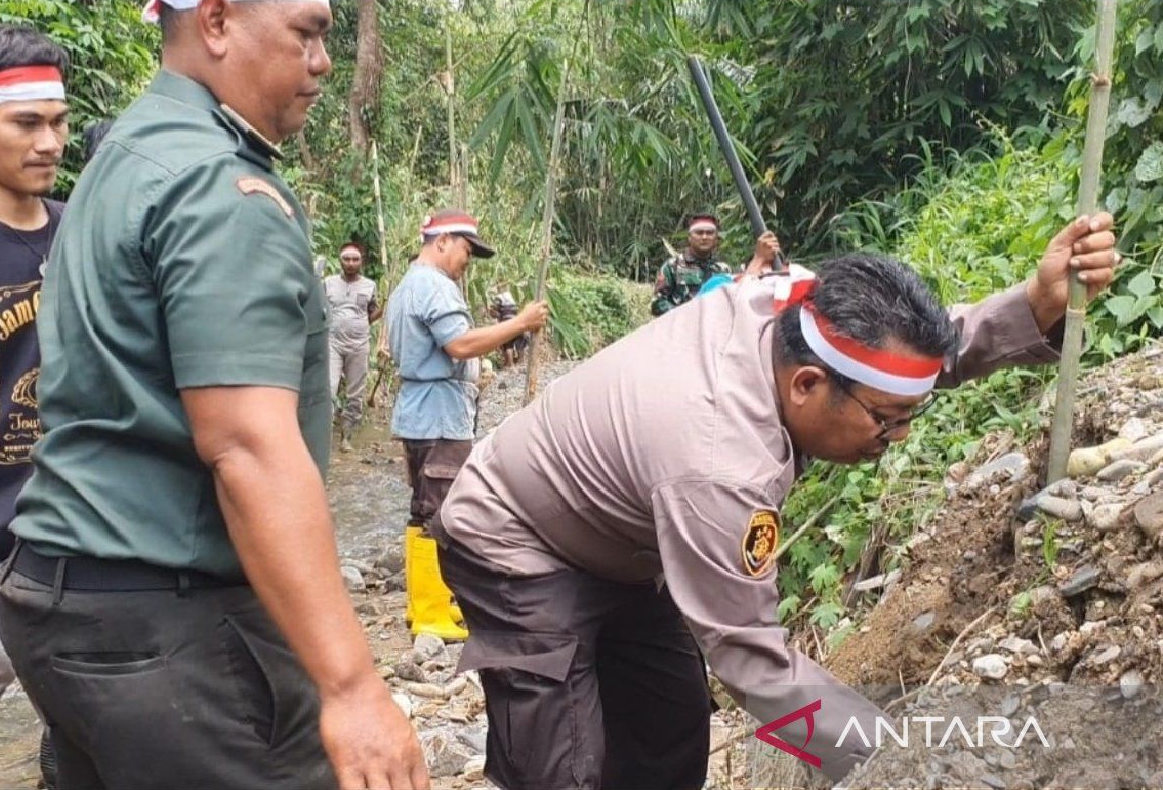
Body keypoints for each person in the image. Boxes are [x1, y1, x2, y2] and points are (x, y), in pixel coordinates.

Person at [429, 214, 1119, 788]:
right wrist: (901, 759)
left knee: (668, 738)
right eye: (888, 421)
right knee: (562, 767)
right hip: (513, 534)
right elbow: (753, 668)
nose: (898, 438)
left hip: (625, 538)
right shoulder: (719, 464)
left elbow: (910, 361)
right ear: (807, 386)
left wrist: (1033, 305)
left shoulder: (794, 303)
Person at [0, 0, 427, 789]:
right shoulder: (218, 190)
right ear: (219, 22)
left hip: (60, 604)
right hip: (168, 624)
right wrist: (353, 687)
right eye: (307, 33)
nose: (322, 61)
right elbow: (245, 444)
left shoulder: (124, 154)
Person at [0, 23, 69, 790]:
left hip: (78, 557)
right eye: (25, 123)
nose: (50, 141)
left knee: (90, 751)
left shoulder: (86, 234)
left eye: (59, 121)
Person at [386, 208, 548, 641]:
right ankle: (430, 612)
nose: (467, 261)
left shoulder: (406, 285)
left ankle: (428, 603)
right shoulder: (434, 285)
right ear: (441, 242)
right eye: (465, 250)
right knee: (442, 510)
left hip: (421, 412)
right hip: (437, 414)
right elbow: (459, 344)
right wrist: (520, 323)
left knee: (424, 509)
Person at [326, 241, 380, 451]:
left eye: (355, 259)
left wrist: (368, 319)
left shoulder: (369, 286)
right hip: (333, 343)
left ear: (361, 262)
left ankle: (346, 437)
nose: (350, 263)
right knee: (329, 390)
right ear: (340, 261)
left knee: (355, 394)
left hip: (359, 344)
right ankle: (324, 437)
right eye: (346, 259)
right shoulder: (328, 283)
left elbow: (373, 311)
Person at [650, 213, 733, 316]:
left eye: (710, 233)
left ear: (716, 238)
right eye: (699, 233)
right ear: (689, 237)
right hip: (680, 328)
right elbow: (657, 303)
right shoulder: (673, 266)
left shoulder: (723, 270)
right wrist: (684, 315)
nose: (704, 237)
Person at [487, 289, 529, 367]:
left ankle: (510, 364)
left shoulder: (499, 297)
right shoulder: (513, 296)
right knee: (520, 341)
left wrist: (491, 311)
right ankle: (521, 362)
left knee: (507, 343)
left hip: (507, 323)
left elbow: (494, 311)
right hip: (518, 321)